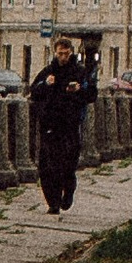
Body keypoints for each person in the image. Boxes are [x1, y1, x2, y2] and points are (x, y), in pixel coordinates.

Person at [29, 32, 95, 215]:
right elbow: (33, 92)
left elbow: (92, 95)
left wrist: (79, 89)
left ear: (71, 53)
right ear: (55, 53)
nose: (63, 57)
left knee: (67, 164)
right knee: (48, 166)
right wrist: (46, 84)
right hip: (49, 125)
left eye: (66, 53)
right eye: (60, 54)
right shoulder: (48, 72)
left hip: (70, 125)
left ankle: (68, 191)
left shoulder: (79, 72)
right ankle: (53, 202)